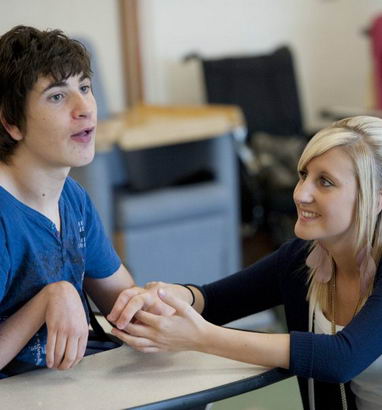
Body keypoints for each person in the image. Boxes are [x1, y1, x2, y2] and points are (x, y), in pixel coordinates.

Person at [107, 115, 382, 410]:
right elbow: (214, 300)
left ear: (377, 199)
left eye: (325, 182)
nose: (301, 194)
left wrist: (201, 337)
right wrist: (169, 296)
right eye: (303, 175)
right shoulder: (302, 260)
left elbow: (341, 357)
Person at [0, 25, 155, 377]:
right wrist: (47, 300)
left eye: (84, 87)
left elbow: (123, 303)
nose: (84, 107)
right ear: (11, 122)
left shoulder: (72, 198)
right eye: (57, 96)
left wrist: (158, 305)